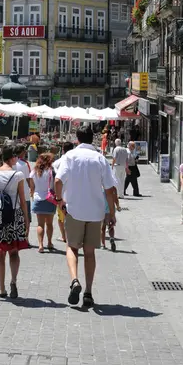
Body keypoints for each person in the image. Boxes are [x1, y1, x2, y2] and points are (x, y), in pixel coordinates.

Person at [55, 125, 116, 307]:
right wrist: (110, 213)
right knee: (90, 253)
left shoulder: (70, 156)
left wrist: (59, 200)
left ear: (78, 139)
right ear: (92, 138)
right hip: (95, 212)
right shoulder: (100, 158)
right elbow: (109, 189)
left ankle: (75, 280)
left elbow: (58, 180)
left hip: (74, 210)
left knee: (72, 247)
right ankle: (88, 292)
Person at [0, 145, 29, 299]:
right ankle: (13, 281)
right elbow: (22, 201)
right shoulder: (18, 175)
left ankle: (2, 288)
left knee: (0, 253)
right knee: (14, 252)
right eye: (16, 157)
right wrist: (27, 220)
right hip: (14, 216)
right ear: (11, 158)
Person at [31, 153, 57, 253]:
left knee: (40, 224)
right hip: (50, 199)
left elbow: (32, 185)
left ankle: (40, 245)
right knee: (49, 224)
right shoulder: (51, 171)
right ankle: (49, 242)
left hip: (38, 198)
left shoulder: (35, 171)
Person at [53, 142, 74, 243]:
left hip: (61, 194)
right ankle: (70, 235)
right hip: (73, 193)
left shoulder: (57, 162)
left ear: (62, 150)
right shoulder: (75, 161)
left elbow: (55, 180)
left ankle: (64, 236)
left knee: (61, 217)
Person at [14, 144, 34, 231]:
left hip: (13, 194)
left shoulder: (11, 163)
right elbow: (29, 179)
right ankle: (26, 238)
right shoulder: (25, 164)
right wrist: (32, 190)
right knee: (26, 217)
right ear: (22, 152)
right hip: (25, 194)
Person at [101, 173, 119, 251]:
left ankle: (103, 244)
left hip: (102, 209)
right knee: (111, 225)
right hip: (111, 209)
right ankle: (111, 238)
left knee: (103, 228)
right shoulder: (113, 188)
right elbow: (116, 199)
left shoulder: (100, 188)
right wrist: (118, 206)